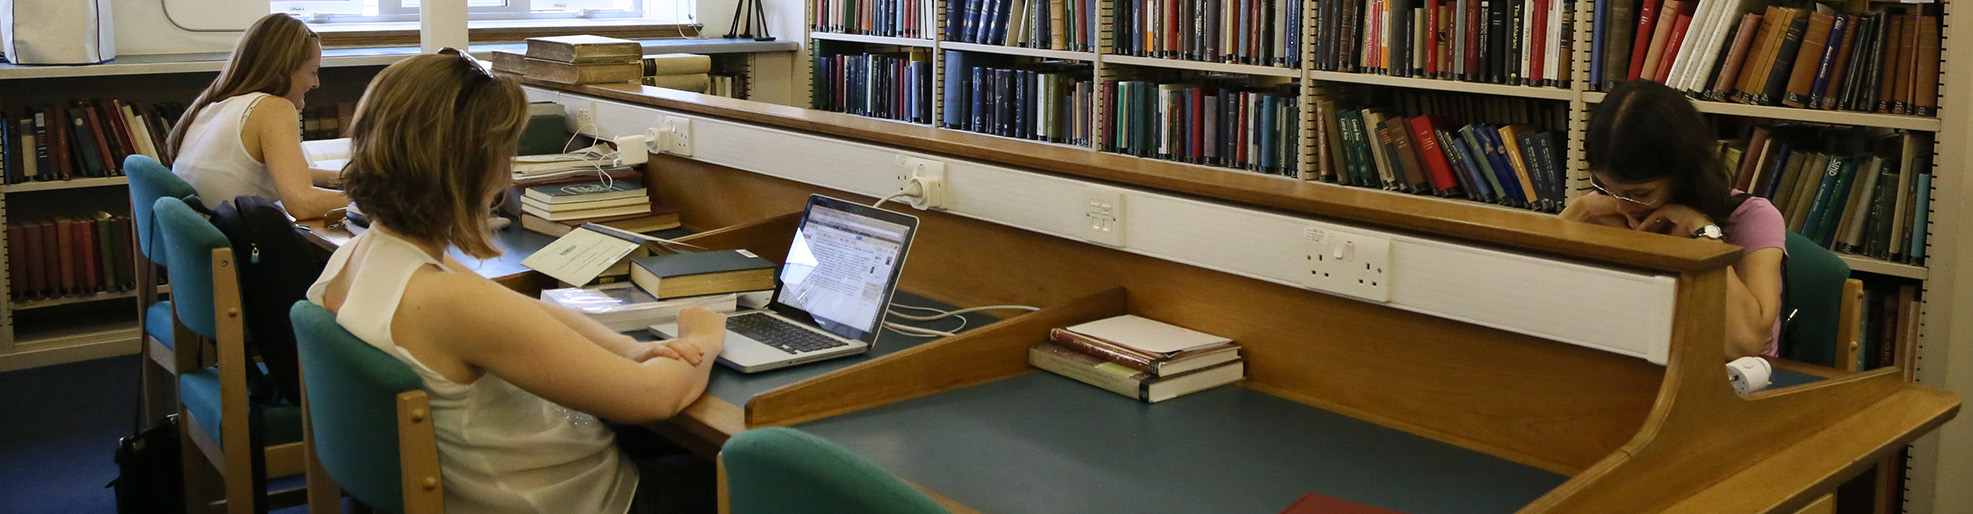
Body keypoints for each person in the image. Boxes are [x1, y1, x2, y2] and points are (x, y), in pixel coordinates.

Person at [306, 52, 726, 514]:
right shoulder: (448, 301)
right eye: (504, 155)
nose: (507, 175)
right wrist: (704, 336)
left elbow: (519, 309)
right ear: (463, 167)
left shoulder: (359, 255)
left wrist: (626, 349)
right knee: (747, 479)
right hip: (573, 501)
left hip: (490, 486)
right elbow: (656, 396)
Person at [1561, 80, 1785, 360]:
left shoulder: (1752, 217)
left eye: (1640, 193)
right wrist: (1577, 211)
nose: (1621, 205)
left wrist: (1702, 232)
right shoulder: (1601, 210)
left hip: (1731, 385)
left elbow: (1744, 345)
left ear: (1684, 173)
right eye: (1606, 187)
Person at [167, 13, 349, 220]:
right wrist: (382, 202)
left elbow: (286, 174)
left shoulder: (210, 107)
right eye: (312, 71)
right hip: (247, 246)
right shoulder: (273, 108)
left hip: (217, 240)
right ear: (283, 70)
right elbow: (302, 203)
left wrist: (350, 179)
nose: (316, 83)